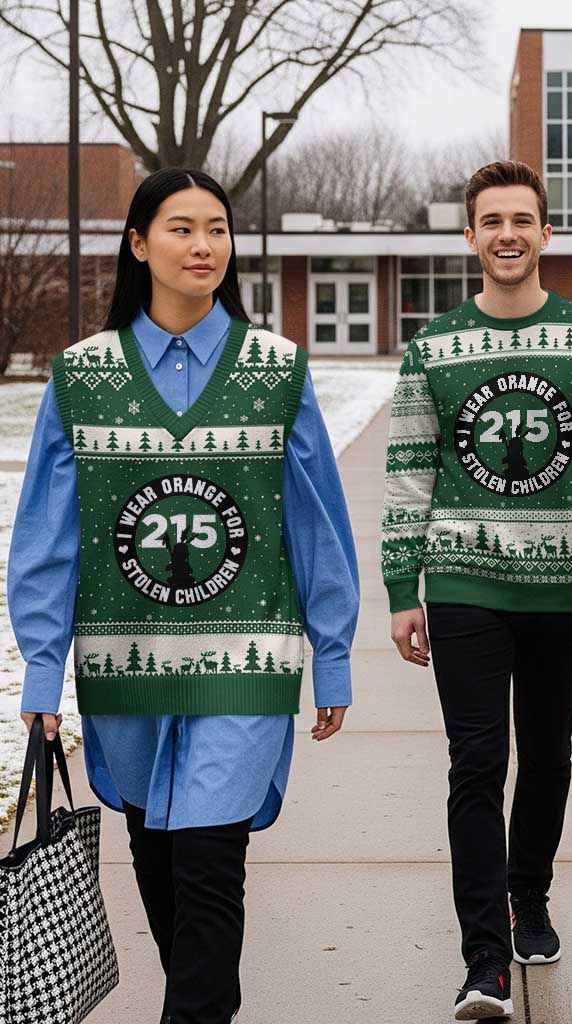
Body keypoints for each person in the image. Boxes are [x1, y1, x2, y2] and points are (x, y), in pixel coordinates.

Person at [11, 168, 359, 1024]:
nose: (203, 246)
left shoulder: (276, 371)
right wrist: (42, 675)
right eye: (180, 229)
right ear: (138, 244)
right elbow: (47, 538)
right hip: (123, 662)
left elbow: (315, 522)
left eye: (216, 229)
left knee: (210, 862)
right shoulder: (82, 376)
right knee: (159, 860)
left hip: (244, 659)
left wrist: (334, 654)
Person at [381, 160, 572, 1021]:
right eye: (491, 220)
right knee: (477, 760)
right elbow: (407, 475)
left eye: (522, 220)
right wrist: (401, 586)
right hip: (463, 579)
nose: (507, 234)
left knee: (549, 753)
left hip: (561, 587)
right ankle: (484, 961)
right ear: (469, 236)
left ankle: (527, 895)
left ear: (546, 233)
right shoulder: (433, 348)